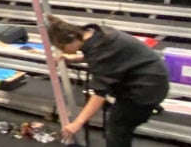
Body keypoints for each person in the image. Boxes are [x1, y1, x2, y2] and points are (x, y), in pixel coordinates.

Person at [48, 15, 170, 147]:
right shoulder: (97, 34)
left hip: (146, 88)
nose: (63, 51)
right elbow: (109, 57)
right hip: (150, 79)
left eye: (62, 47)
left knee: (117, 130)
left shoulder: (100, 48)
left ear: (71, 40)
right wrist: (75, 59)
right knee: (119, 126)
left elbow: (99, 94)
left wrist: (77, 124)